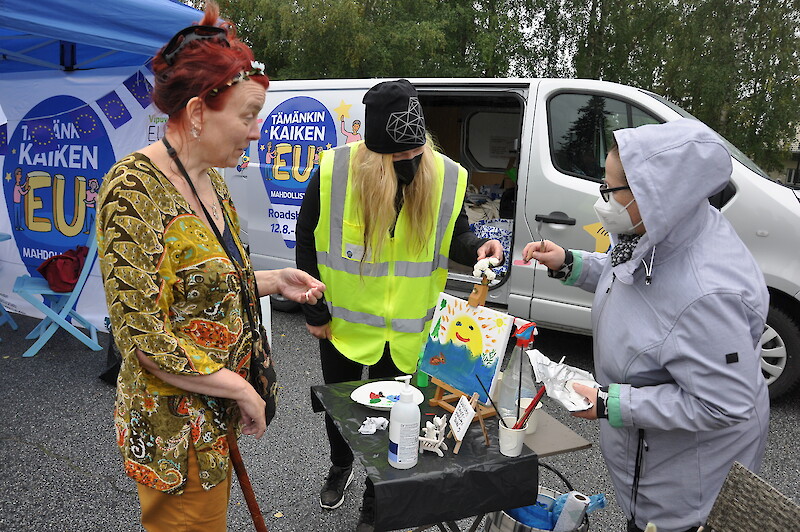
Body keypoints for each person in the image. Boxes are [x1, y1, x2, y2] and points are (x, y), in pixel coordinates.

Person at [95, 4, 325, 531]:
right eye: (247, 116)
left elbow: (200, 285)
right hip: (176, 433)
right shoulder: (132, 190)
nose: (256, 133)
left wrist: (269, 282)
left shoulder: (211, 180)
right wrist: (242, 389)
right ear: (198, 114)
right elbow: (143, 338)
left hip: (213, 414)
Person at [523, 118, 769, 532]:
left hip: (686, 486)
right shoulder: (662, 228)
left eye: (611, 189)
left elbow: (725, 404)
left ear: (655, 195)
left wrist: (611, 404)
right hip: (651, 459)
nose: (603, 199)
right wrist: (570, 263)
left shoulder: (709, 295)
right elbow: (630, 273)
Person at [296, 79, 504, 532]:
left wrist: (480, 246)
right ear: (372, 153)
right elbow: (307, 241)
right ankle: (340, 464)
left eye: (414, 155)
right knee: (342, 409)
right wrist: (315, 309)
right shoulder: (334, 171)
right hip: (344, 326)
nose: (409, 165)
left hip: (409, 331)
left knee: (397, 416)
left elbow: (456, 237)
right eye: (397, 159)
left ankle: (378, 492)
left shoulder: (446, 175)